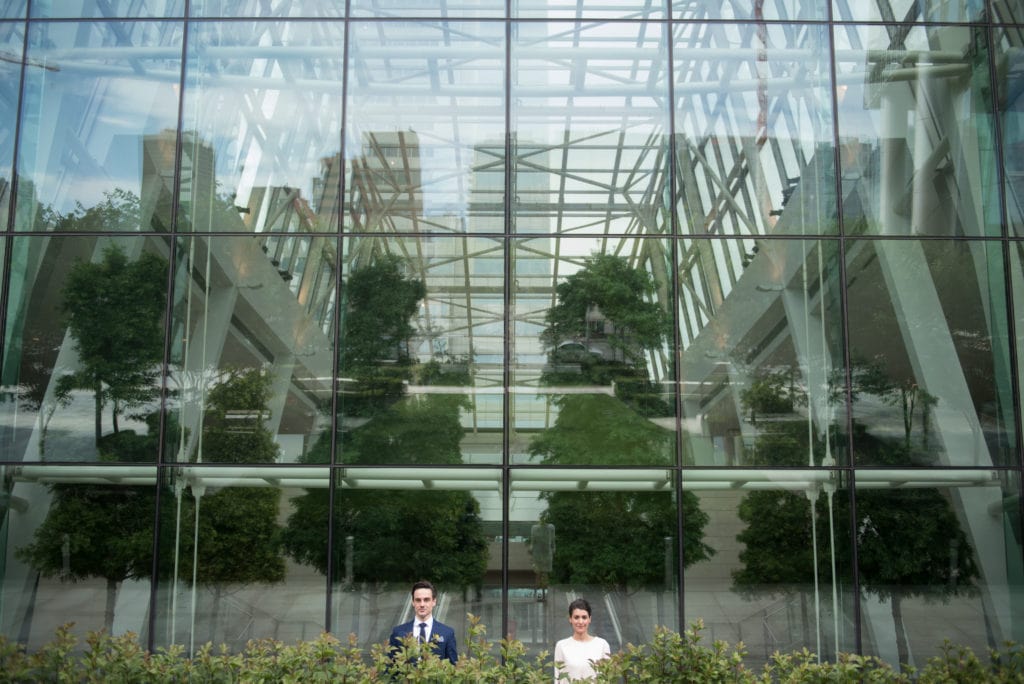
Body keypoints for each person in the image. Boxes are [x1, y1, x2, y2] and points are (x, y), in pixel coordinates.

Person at [388, 579, 458, 664]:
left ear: (434, 602)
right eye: (418, 600)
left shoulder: (447, 633)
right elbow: (390, 667)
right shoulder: (398, 632)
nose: (422, 604)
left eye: (426, 600)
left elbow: (453, 667)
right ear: (413, 602)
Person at [553, 598, 611, 682]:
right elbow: (557, 677)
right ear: (570, 619)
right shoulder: (561, 646)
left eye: (584, 617)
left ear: (589, 619)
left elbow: (607, 678)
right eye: (576, 617)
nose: (580, 621)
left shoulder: (602, 645)